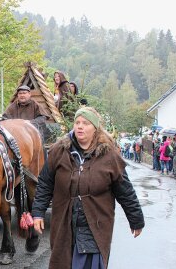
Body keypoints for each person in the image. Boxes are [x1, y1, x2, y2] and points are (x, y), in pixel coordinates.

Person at [32, 106, 144, 269]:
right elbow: (45, 183)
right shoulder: (59, 151)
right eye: (77, 122)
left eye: (85, 123)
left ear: (95, 128)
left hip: (95, 225)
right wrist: (38, 213)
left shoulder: (110, 155)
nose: (80, 126)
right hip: (64, 223)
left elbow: (125, 190)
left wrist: (136, 219)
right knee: (62, 262)